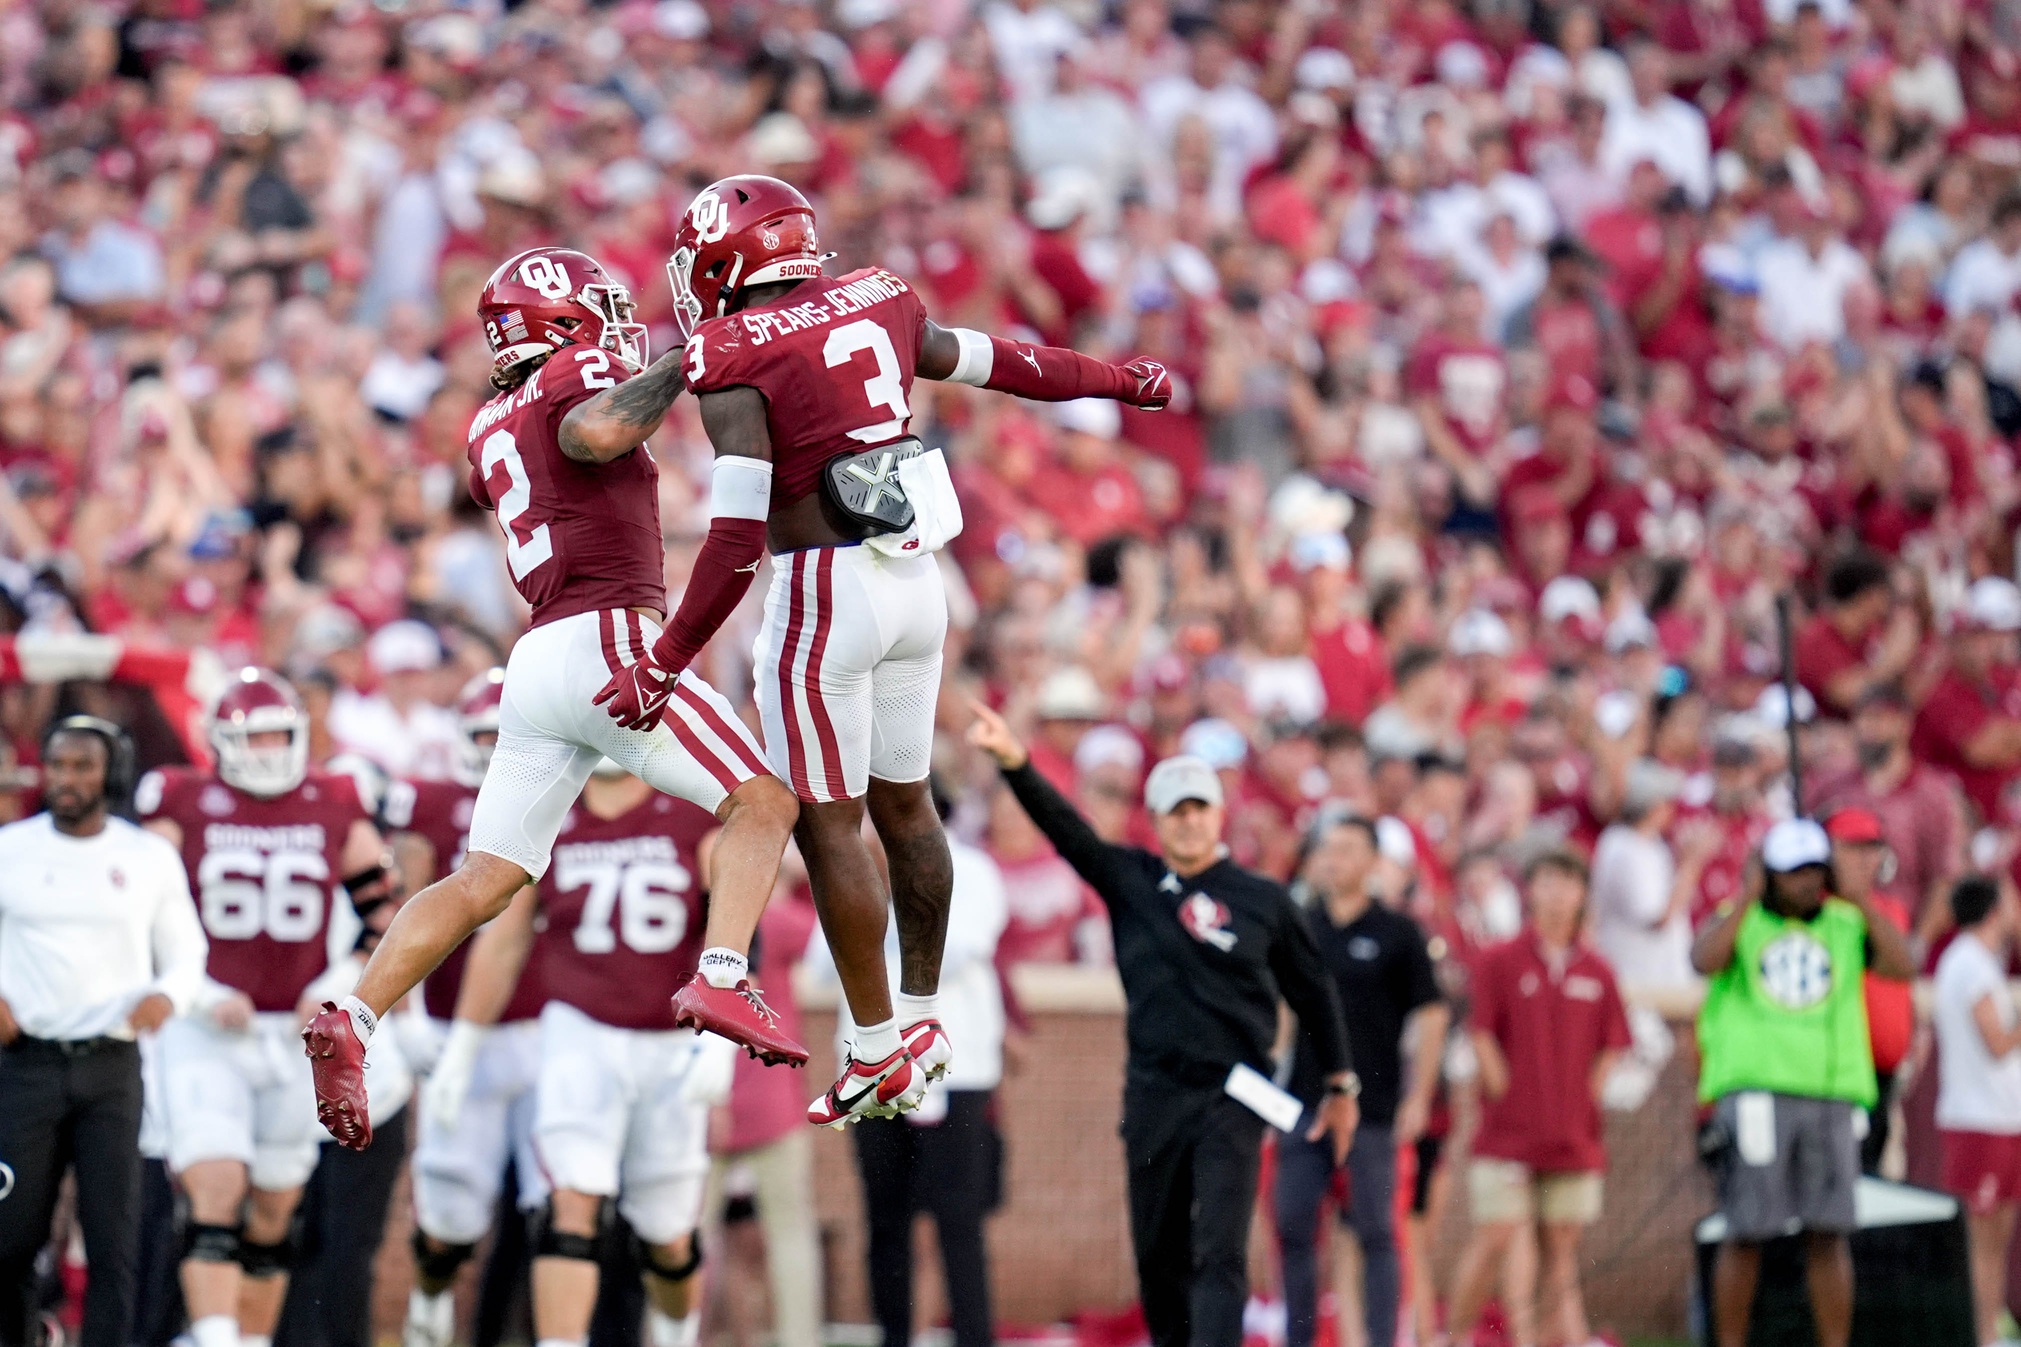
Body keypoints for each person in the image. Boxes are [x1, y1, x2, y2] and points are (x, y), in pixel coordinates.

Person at [606, 175, 1170, 1127]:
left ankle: (873, 1049)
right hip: (917, 585)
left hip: (824, 589)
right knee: (909, 805)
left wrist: (665, 658)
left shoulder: (732, 348)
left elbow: (737, 540)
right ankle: (920, 1018)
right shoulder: (882, 293)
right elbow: (1008, 364)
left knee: (831, 823)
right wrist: (1121, 378)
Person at [303, 245, 806, 1153]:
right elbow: (590, 433)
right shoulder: (577, 372)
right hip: (608, 636)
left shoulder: (488, 417)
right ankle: (723, 971)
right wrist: (685, 362)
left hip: (536, 661)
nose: (615, 327)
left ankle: (356, 1014)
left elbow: (538, 454)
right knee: (764, 800)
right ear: (558, 323)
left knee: (486, 876)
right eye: (596, 311)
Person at [966, 702, 1356, 1347]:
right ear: (1155, 821)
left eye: (1199, 807)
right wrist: (1016, 762)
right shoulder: (1132, 880)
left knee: (1220, 1248)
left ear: (1218, 813)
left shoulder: (1264, 900)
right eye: (1177, 811)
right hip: (1154, 1093)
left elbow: (1315, 994)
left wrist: (1342, 1082)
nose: (1190, 821)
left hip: (1233, 1094)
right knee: (1158, 1252)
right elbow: (1068, 830)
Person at [429, 759, 733, 1347]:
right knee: (567, 1203)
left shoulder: (696, 811)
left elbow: (736, 928)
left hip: (671, 1041)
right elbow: (505, 940)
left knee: (667, 1236)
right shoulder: (550, 813)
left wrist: (720, 1036)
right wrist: (461, 1049)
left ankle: (675, 1332)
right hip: (578, 1033)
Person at [138, 671, 393, 1347]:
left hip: (296, 1036)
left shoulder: (334, 798)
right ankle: (217, 1337)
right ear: (223, 741)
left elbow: (386, 915)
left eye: (283, 732)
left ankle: (244, 1340)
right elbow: (140, 915)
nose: (273, 747)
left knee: (276, 1206)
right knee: (217, 1188)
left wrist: (340, 979)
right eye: (258, 735)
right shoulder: (182, 799)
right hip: (205, 1028)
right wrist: (202, 989)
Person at [0, 716, 207, 1347]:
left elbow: (186, 951)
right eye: (58, 765)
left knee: (114, 1242)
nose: (67, 779)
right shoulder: (11, 847)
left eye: (82, 766)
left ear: (111, 774)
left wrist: (166, 995)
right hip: (25, 1065)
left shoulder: (147, 858)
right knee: (9, 1239)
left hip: (112, 1071)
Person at [1693, 818, 1917, 1347]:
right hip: (1757, 1095)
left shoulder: (1844, 922)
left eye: (1815, 870)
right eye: (1792, 872)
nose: (1805, 882)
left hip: (1830, 1094)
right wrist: (1745, 898)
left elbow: (1903, 966)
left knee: (1828, 1232)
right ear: (1768, 874)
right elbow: (1704, 960)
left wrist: (1861, 900)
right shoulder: (1742, 918)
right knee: (1747, 1231)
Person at [379, 669, 550, 1347]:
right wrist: (409, 1014)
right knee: (450, 1213)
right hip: (453, 1024)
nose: (494, 748)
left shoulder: (564, 794)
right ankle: (429, 1315)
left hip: (549, 1024)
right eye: (484, 734)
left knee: (561, 1204)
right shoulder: (430, 798)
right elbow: (403, 906)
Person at [814, 792, 1008, 1347]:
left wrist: (874, 922)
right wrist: (865, 880)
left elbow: (964, 946)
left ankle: (975, 1338)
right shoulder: (854, 867)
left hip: (956, 1065)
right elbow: (821, 961)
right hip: (871, 1067)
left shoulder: (971, 870)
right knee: (885, 1220)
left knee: (958, 1222)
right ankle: (893, 1337)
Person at [1446, 851, 1631, 1347]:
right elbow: (1480, 1032)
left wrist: (1585, 1096)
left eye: (1568, 882)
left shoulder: (1598, 969)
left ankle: (1557, 1338)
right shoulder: (1500, 960)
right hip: (1506, 1134)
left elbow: (1614, 1042)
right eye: (1547, 880)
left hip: (1572, 1137)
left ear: (1582, 893)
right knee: (1497, 1234)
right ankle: (1452, 1336)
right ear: (1529, 889)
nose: (1557, 892)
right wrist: (1504, 1087)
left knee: (1561, 1250)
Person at [1274, 814, 1447, 1347]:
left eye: (1348, 849)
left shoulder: (1397, 932)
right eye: (1328, 849)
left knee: (1376, 1232)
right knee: (1294, 1224)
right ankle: (1298, 1339)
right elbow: (1281, 1006)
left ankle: (1380, 1340)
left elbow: (1432, 1013)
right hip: (1304, 1102)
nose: (1334, 859)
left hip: (1373, 1106)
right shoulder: (1299, 924)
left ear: (1373, 862)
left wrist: (1419, 1095)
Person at [1932, 874, 2021, 1347]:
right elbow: (1997, 1043)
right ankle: (1980, 1334)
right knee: (1981, 1242)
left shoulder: (1978, 962)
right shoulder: (1970, 964)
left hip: (1998, 1119)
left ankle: (1990, 1328)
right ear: (1992, 910)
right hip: (1978, 1120)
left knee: (1996, 1239)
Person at [1824, 807, 1913, 1174]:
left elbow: (1902, 969)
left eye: (1871, 849)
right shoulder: (1819, 912)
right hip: (1836, 1073)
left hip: (1882, 1074)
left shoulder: (1888, 910)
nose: (1863, 860)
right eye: (1852, 848)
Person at [1589, 758, 1718, 989]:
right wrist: (1692, 862)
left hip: (1662, 978)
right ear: (1653, 806)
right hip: (1637, 980)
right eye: (1667, 803)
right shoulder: (1622, 848)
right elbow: (1657, 917)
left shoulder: (1652, 844)